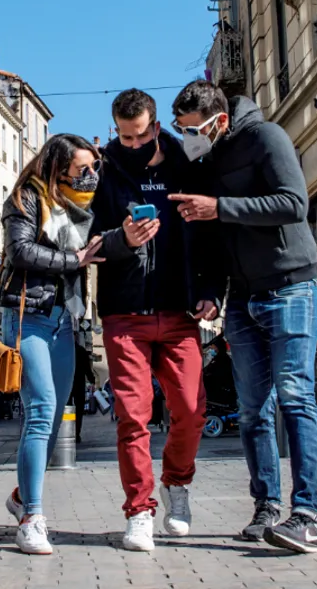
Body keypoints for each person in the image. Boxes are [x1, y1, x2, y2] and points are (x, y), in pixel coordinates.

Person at [169, 80, 317, 554]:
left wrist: (221, 207)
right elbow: (216, 239)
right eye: (181, 130)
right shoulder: (206, 162)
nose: (187, 138)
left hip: (291, 286)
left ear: (218, 121)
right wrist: (211, 292)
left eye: (192, 129)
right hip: (242, 299)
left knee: (296, 395)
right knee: (254, 410)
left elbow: (294, 203)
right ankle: (267, 509)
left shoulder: (267, 138)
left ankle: (309, 516)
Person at [91, 89, 220, 553]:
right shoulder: (102, 168)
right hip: (124, 312)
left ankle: (176, 484)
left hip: (179, 308)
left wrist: (210, 291)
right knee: (133, 416)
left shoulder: (185, 162)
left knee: (190, 409)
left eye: (140, 134)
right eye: (124, 136)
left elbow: (208, 231)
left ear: (156, 124)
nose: (131, 143)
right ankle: (140, 511)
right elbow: (88, 242)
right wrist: (122, 239)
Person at [0, 134, 105, 555]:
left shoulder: (79, 211)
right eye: (82, 168)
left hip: (65, 321)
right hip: (29, 317)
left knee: (55, 417)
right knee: (41, 409)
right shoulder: (26, 199)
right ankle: (32, 519)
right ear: (58, 167)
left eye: (92, 168)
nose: (89, 175)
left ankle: (22, 496)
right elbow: (19, 251)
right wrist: (74, 260)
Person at [70, 325, 96, 443]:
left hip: (67, 385)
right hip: (78, 384)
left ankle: (69, 431)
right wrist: (92, 380)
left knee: (68, 409)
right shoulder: (81, 350)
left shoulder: (63, 351)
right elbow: (87, 368)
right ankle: (76, 433)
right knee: (79, 411)